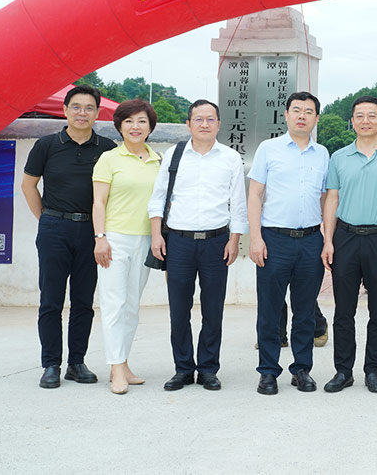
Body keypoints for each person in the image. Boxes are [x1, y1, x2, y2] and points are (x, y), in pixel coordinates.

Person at [148, 99, 247, 392]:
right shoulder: (175, 155)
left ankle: (208, 369)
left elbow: (238, 203)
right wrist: (156, 235)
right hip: (178, 242)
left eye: (210, 119)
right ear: (188, 124)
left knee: (213, 309)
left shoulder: (230, 158)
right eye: (198, 119)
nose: (205, 124)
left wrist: (234, 240)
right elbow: (158, 197)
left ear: (219, 124)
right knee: (179, 309)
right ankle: (183, 368)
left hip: (217, 242)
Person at [21, 85, 116, 389]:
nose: (82, 113)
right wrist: (46, 219)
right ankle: (51, 364)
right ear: (65, 110)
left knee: (83, 301)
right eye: (76, 107)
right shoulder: (47, 145)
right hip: (54, 229)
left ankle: (77, 362)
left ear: (97, 113)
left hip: (91, 231)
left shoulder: (107, 148)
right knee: (51, 300)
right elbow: (28, 185)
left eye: (89, 108)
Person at [321, 95, 377, 393]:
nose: (365, 121)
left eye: (371, 115)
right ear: (352, 122)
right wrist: (328, 240)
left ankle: (373, 370)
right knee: (344, 310)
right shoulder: (339, 157)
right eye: (359, 116)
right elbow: (332, 199)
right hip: (345, 238)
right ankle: (343, 371)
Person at [248, 92, 329, 395]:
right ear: (286, 115)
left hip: (310, 240)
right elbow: (254, 195)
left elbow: (325, 199)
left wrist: (327, 239)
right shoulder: (268, 149)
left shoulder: (322, 154)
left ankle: (302, 369)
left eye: (308, 111)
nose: (302, 116)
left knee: (305, 312)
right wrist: (256, 238)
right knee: (269, 311)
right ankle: (268, 371)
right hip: (274, 239)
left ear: (316, 118)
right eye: (296, 110)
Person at [91, 99, 161, 394]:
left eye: (142, 121)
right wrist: (100, 237)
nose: (135, 126)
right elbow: (98, 202)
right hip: (115, 240)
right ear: (119, 126)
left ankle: (123, 363)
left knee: (131, 307)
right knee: (114, 304)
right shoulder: (109, 159)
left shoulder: (158, 160)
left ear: (150, 127)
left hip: (145, 240)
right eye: (129, 121)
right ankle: (116, 369)